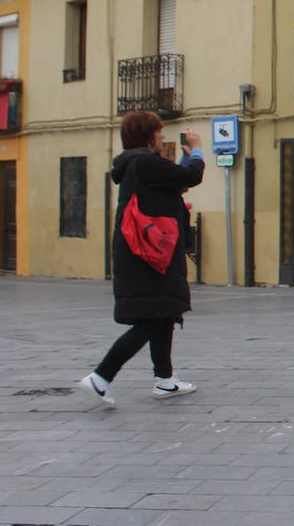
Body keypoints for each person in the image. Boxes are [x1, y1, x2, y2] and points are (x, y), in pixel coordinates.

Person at [78, 111, 205, 408]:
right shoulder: (144, 162)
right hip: (148, 254)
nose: (162, 135)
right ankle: (101, 377)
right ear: (147, 135)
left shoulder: (138, 165)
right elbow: (190, 178)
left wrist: (185, 161)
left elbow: (175, 183)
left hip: (148, 251)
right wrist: (197, 150)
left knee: (164, 314)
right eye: (158, 131)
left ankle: (165, 380)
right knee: (151, 319)